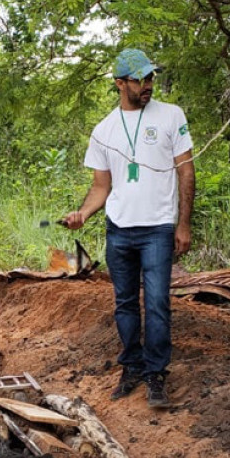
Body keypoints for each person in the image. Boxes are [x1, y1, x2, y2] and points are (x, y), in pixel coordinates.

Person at [63, 48, 195, 408]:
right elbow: (101, 187)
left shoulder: (171, 116)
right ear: (121, 83)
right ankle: (132, 367)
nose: (148, 84)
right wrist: (83, 213)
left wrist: (183, 224)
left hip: (157, 229)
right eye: (140, 79)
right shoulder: (103, 131)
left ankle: (156, 373)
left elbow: (186, 171)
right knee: (124, 304)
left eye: (150, 77)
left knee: (157, 302)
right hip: (119, 230)